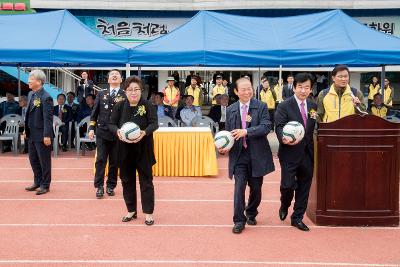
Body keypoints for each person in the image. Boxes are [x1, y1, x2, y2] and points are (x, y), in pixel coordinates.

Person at [219, 78, 275, 234]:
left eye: (249, 88)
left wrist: (247, 131)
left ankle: (251, 212)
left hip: (257, 154)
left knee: (256, 189)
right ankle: (238, 220)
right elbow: (228, 133)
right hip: (239, 156)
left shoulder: (261, 106)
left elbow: (266, 127)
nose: (247, 92)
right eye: (243, 89)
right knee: (239, 188)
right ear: (236, 92)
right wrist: (224, 148)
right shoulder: (230, 109)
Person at [109, 76, 158, 225]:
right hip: (124, 149)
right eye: (130, 90)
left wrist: (144, 132)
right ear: (125, 91)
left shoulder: (148, 105)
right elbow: (111, 124)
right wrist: (117, 132)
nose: (133, 92)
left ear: (141, 91)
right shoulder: (119, 106)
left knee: (146, 181)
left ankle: (149, 213)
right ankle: (131, 210)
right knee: (127, 180)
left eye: (136, 89)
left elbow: (154, 123)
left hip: (143, 149)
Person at [275, 73, 317, 232]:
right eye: (300, 87)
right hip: (289, 152)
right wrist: (283, 138)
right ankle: (284, 204)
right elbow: (278, 126)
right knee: (287, 185)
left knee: (304, 187)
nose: (303, 90)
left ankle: (297, 217)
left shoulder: (313, 106)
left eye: (307, 87)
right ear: (294, 88)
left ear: (311, 89)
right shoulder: (284, 105)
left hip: (307, 153)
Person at [89, 69, 126, 199]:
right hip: (102, 132)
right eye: (112, 75)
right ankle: (99, 186)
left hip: (117, 133)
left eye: (117, 75)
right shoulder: (101, 93)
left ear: (121, 79)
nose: (114, 76)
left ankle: (111, 185)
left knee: (114, 162)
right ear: (108, 79)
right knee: (100, 160)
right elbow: (95, 112)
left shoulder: (125, 94)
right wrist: (91, 128)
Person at [24, 70, 54, 195]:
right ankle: (37, 181)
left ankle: (45, 184)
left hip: (42, 135)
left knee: (44, 161)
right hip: (31, 134)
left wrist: (47, 135)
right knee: (33, 159)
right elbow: (28, 114)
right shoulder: (31, 94)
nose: (29, 80)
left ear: (39, 81)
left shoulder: (46, 97)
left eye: (31, 78)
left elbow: (48, 118)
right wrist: (26, 130)